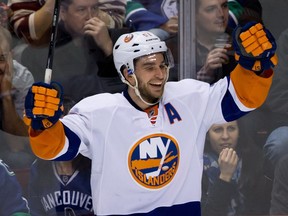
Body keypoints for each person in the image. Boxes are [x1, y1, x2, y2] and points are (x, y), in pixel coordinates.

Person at [23, 22, 277, 215]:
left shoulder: (189, 97)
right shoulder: (97, 111)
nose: (160, 74)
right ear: (127, 73)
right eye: (149, 67)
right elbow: (56, 149)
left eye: (162, 65)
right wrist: (43, 123)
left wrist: (256, 67)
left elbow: (242, 99)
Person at [20, 0, 127, 102]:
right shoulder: (42, 52)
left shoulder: (116, 40)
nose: (90, 17)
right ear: (62, 12)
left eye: (94, 8)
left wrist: (108, 47)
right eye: (81, 10)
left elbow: (127, 88)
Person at [28, 96, 94, 216]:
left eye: (67, 127)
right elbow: (35, 210)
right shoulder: (38, 168)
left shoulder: (94, 166)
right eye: (55, 127)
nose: (61, 134)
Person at [201, 119, 271, 215]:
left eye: (231, 128)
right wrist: (225, 176)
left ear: (239, 132)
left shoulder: (254, 159)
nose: (225, 136)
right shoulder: (196, 167)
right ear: (207, 135)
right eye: (218, 130)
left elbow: (261, 208)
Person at [7, 0, 127, 46]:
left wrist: (84, 6)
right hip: (42, 52)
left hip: (92, 53)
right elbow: (24, 32)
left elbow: (116, 24)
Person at [0, 25, 35, 169]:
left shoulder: (22, 78)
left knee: (20, 158)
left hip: (8, 144)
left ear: (11, 56)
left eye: (1, 58)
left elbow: (18, 144)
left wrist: (6, 96)